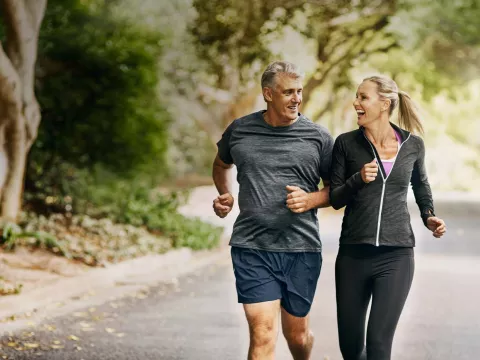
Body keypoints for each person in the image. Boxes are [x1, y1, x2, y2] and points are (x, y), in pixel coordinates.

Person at [212, 61, 334, 360]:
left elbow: (336, 189)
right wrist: (225, 193)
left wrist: (311, 200)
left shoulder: (318, 137)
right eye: (288, 92)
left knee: (297, 335)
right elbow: (220, 164)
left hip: (301, 248)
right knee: (264, 333)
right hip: (252, 246)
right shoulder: (240, 130)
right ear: (268, 94)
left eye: (299, 91)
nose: (296, 99)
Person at [329, 75, 447, 360]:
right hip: (353, 255)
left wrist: (428, 216)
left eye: (363, 97)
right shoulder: (345, 144)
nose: (356, 103)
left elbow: (421, 185)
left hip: (396, 256)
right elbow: (334, 198)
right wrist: (357, 180)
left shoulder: (413, 145)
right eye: (357, 97)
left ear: (384, 104)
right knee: (351, 348)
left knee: (379, 345)